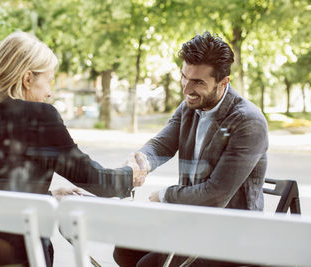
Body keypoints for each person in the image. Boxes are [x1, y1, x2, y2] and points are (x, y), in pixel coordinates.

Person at [0, 32, 141, 267]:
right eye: (48, 81)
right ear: (27, 78)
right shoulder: (39, 117)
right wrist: (131, 173)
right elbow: (96, 180)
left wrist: (46, 198)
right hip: (11, 258)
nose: (49, 92)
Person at [114, 32, 269, 266]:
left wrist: (165, 196)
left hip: (231, 235)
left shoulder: (248, 121)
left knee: (148, 264)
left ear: (223, 82)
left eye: (198, 82)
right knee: (124, 250)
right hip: (192, 222)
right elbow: (162, 144)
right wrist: (141, 162)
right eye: (184, 77)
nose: (187, 89)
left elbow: (215, 194)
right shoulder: (190, 105)